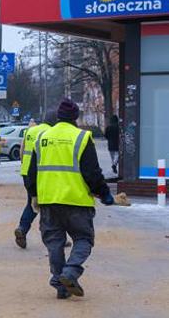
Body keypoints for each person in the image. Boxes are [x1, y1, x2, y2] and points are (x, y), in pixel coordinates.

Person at [27, 99, 114, 299]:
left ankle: (61, 284)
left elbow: (32, 172)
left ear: (58, 116)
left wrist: (33, 194)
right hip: (77, 201)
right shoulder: (82, 137)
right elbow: (92, 172)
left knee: (54, 242)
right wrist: (104, 193)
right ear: (75, 117)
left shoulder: (42, 137)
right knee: (83, 239)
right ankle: (69, 273)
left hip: (49, 201)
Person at [14, 111, 56, 249]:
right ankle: (55, 236)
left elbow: (22, 151)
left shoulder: (30, 131)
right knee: (51, 205)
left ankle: (22, 228)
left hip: (27, 172)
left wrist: (24, 166)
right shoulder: (52, 133)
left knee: (32, 202)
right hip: (43, 174)